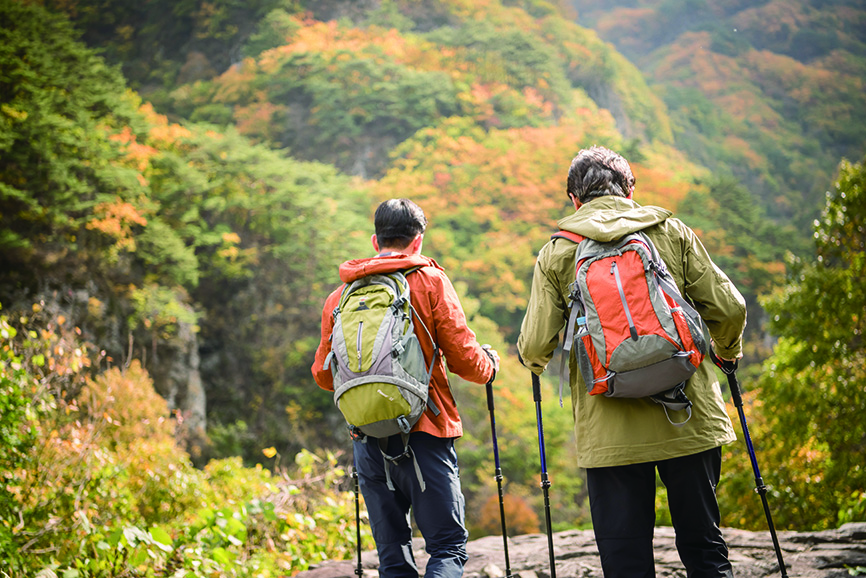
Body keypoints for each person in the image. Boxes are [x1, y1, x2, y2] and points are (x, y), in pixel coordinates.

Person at [517, 146, 747, 578]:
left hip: (611, 434)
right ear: (630, 189)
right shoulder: (671, 231)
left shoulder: (557, 253)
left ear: (574, 199)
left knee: (625, 564)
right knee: (705, 551)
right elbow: (729, 309)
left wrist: (533, 365)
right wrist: (727, 352)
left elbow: (533, 347)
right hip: (689, 419)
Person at [312, 198, 499, 578]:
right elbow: (466, 361)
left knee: (393, 559)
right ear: (418, 241)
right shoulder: (430, 282)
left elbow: (323, 374)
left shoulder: (340, 296)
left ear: (374, 239)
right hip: (425, 434)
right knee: (447, 548)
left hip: (367, 441)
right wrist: (490, 365)